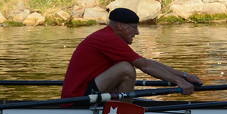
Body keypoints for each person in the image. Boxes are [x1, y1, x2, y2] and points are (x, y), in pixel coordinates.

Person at [61, 8, 202, 98]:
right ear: (120, 26)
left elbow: (148, 62)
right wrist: (179, 82)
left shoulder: (108, 36)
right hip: (78, 97)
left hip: (89, 90)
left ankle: (122, 107)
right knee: (126, 68)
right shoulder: (107, 38)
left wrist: (185, 76)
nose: (137, 32)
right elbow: (144, 66)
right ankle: (124, 112)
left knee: (126, 65)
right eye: (133, 28)